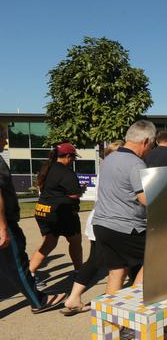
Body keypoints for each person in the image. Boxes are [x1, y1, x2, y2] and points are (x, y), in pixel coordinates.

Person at [0, 124, 67, 314]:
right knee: (17, 264)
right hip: (4, 223)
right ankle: (38, 301)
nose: (6, 141)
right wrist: (3, 227)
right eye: (3, 136)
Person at [61, 140, 124, 316]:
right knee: (116, 265)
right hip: (108, 222)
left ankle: (74, 298)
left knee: (95, 261)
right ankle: (113, 309)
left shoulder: (105, 171)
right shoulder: (115, 172)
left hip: (99, 221)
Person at [92, 120, 156, 293]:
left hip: (102, 225)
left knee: (117, 271)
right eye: (151, 145)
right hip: (126, 227)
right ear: (145, 142)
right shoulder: (136, 163)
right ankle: (135, 306)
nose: (150, 150)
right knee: (155, 257)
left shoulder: (109, 159)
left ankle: (111, 318)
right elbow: (145, 199)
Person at [29, 142, 85, 285]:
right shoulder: (67, 172)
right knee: (75, 242)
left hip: (42, 210)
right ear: (67, 156)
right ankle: (79, 272)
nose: (73, 161)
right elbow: (73, 195)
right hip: (61, 212)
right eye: (73, 158)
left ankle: (30, 273)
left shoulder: (47, 168)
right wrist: (81, 190)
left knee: (48, 243)